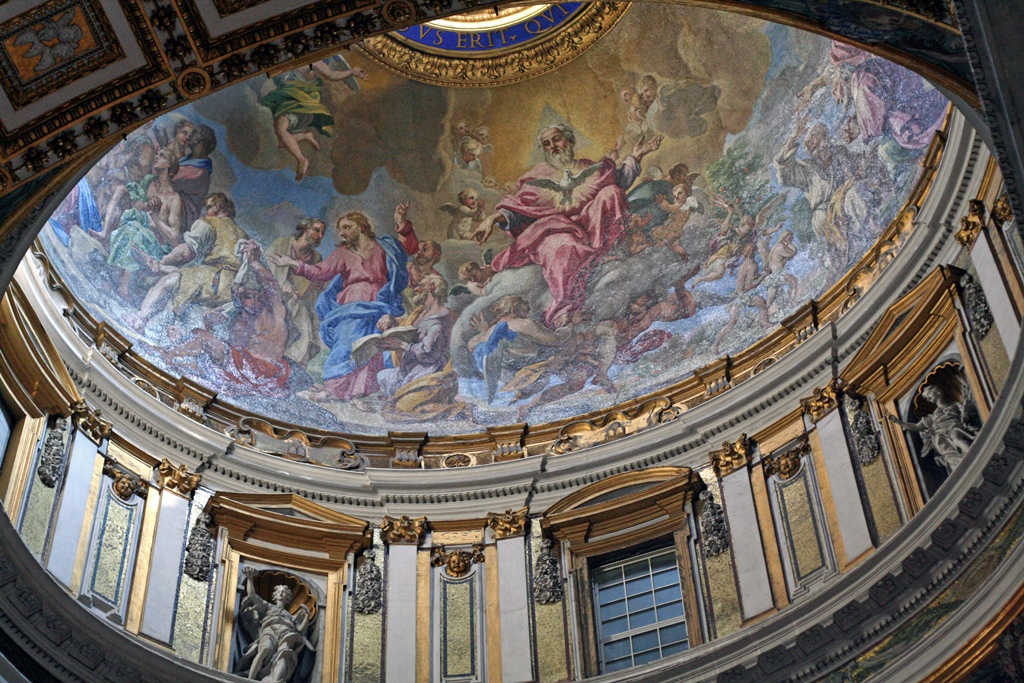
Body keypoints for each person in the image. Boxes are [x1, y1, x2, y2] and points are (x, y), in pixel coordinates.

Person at [472, 124, 663, 328]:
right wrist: (492, 219)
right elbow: (519, 208)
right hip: (554, 229)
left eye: (557, 139)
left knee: (612, 192)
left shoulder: (588, 167)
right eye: (547, 144)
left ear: (570, 141)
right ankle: (564, 305)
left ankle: (608, 253)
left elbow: (619, 181)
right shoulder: (538, 176)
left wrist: (636, 156)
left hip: (589, 224)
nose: (553, 146)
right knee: (563, 247)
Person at [267, 211, 407, 401]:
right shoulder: (342, 253)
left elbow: (406, 251)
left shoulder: (384, 247)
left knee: (375, 345)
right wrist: (293, 262)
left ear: (362, 227)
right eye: (340, 229)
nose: (342, 233)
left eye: (347, 227)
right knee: (346, 342)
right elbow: (320, 272)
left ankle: (360, 393)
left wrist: (403, 225)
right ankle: (333, 388)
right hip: (351, 304)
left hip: (380, 303)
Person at [161, 240, 290, 395]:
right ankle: (169, 357)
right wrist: (209, 323)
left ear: (260, 295)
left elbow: (271, 285)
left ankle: (167, 357)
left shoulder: (274, 313)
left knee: (199, 336)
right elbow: (222, 352)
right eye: (239, 298)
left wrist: (254, 262)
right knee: (193, 366)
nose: (243, 302)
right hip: (241, 372)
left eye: (247, 296)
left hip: (261, 371)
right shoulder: (240, 320)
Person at [131, 192, 249, 330]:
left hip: (212, 279)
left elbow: (185, 253)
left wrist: (165, 260)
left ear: (217, 206)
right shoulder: (244, 235)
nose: (207, 213)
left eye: (209, 208)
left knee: (167, 282)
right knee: (185, 275)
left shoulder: (210, 223)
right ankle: (158, 267)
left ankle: (140, 318)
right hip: (231, 289)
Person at [262, 57, 368, 180]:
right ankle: (305, 136)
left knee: (281, 129)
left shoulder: (312, 62)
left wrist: (351, 72)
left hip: (302, 102)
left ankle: (302, 160)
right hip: (287, 102)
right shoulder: (284, 62)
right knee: (279, 142)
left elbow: (332, 74)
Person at [377, 274, 454, 396]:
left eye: (421, 286)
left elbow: (429, 354)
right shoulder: (422, 312)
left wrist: (401, 344)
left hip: (427, 368)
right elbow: (409, 325)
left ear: (432, 287)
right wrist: (392, 319)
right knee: (382, 376)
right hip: (410, 365)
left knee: (405, 394)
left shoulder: (439, 322)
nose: (416, 289)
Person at [236, 567, 312, 683]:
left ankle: (276, 679)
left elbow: (299, 630)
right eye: (279, 592)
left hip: (286, 635)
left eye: (284, 592)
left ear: (288, 598)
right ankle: (250, 679)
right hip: (270, 631)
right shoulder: (268, 607)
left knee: (285, 655)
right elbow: (252, 595)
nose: (281, 593)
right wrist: (250, 579)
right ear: (274, 596)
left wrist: (307, 616)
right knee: (265, 649)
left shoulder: (290, 616)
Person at [269, 218, 327, 366]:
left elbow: (315, 285)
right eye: (316, 230)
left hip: (299, 301)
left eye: (322, 233)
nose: (319, 235)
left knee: (310, 327)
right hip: (275, 295)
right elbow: (267, 269)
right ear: (305, 229)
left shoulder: (316, 257)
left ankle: (293, 367)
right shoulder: (281, 244)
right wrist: (283, 285)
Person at [888, 384, 979, 473]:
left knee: (957, 439)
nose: (929, 397)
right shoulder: (933, 415)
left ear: (937, 392)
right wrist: (898, 422)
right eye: (928, 396)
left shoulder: (955, 405)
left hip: (953, 426)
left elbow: (966, 413)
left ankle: (974, 457)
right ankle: (959, 471)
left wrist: (965, 416)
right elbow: (916, 426)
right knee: (948, 455)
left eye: (930, 394)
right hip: (939, 435)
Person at [712, 243, 772, 355]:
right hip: (745, 296)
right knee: (761, 304)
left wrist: (760, 274)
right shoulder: (752, 264)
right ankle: (765, 323)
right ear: (753, 251)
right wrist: (763, 275)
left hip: (740, 295)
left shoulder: (745, 264)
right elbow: (749, 285)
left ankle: (715, 344)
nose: (758, 250)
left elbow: (747, 279)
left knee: (732, 321)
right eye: (756, 249)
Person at [173, 124, 217, 233]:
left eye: (194, 133)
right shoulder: (186, 160)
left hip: (180, 221)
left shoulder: (199, 172)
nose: (189, 136)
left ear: (200, 139)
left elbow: (169, 181)